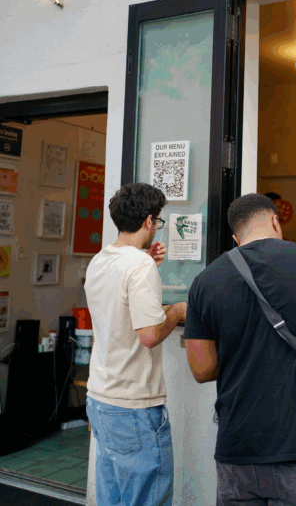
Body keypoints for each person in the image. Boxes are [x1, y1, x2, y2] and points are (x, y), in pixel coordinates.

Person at [183, 193, 296, 506]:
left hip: (237, 450)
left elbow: (201, 369)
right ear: (274, 220)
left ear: (235, 237)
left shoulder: (204, 282)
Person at [84, 183, 187, 506]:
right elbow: (149, 335)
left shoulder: (101, 259)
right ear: (149, 221)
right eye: (158, 221)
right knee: (146, 498)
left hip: (100, 398)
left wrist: (148, 262)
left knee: (112, 496)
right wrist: (177, 311)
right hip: (134, 406)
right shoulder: (138, 266)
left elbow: (119, 305)